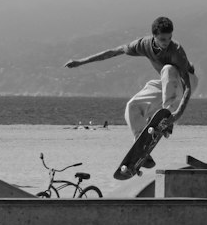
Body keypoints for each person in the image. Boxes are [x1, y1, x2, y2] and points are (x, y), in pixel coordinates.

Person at [65, 15, 196, 161]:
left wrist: (176, 115)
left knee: (168, 69)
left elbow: (188, 88)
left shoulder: (176, 50)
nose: (167, 43)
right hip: (167, 85)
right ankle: (142, 148)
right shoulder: (142, 44)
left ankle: (167, 119)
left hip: (186, 82)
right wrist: (80, 62)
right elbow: (114, 52)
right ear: (154, 36)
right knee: (132, 106)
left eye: (169, 38)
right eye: (163, 39)